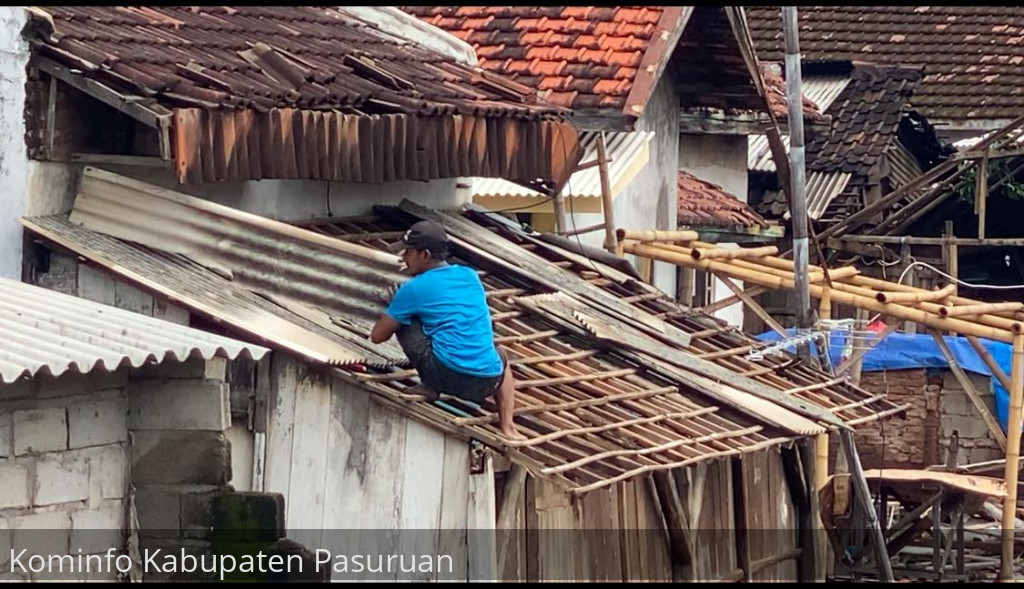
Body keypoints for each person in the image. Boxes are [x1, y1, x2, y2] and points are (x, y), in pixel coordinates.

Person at [369, 220, 526, 441]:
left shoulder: (413, 288)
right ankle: (508, 425)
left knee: (404, 318)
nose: (403, 257)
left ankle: (430, 385)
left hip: (446, 374)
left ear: (424, 255)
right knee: (499, 354)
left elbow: (377, 336)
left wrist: (394, 305)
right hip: (487, 382)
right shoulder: (470, 276)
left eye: (408, 252)